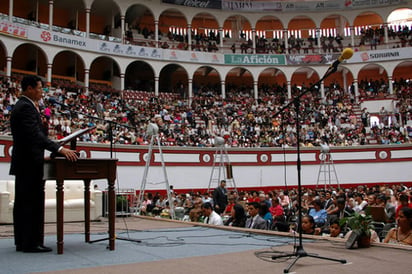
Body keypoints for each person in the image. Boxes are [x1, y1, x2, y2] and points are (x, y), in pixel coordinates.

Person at [10, 75, 78, 253]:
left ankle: (24, 241)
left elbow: (31, 139)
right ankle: (30, 243)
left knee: (26, 202)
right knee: (30, 203)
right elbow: (35, 136)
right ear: (30, 88)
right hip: (28, 164)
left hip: (29, 161)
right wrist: (60, 150)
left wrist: (43, 157)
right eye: (40, 88)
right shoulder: (25, 107)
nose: (42, 92)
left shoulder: (26, 106)